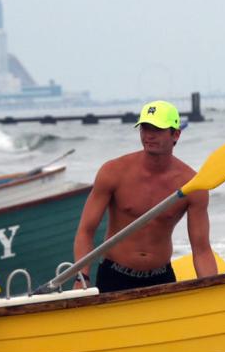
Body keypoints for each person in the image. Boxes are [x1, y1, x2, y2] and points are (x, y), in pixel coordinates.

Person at [72, 100, 216, 293]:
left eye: (156, 129)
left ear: (176, 134)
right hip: (114, 276)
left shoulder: (192, 185)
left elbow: (202, 250)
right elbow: (86, 231)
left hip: (161, 278)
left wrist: (213, 291)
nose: (148, 135)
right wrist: (82, 277)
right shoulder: (113, 172)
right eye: (144, 128)